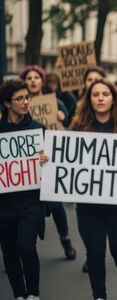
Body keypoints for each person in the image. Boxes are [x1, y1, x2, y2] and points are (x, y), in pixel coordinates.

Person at [69, 78, 117, 300]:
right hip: (88, 203)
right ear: (89, 99)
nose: (100, 98)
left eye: (105, 94)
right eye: (95, 95)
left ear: (114, 99)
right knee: (95, 253)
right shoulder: (77, 127)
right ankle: (99, 296)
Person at [19, 65, 78, 261]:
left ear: (42, 81)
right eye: (29, 78)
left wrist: (63, 117)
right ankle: (20, 247)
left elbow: (67, 125)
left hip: (50, 161)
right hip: (26, 164)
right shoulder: (19, 105)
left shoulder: (56, 102)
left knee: (55, 203)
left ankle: (65, 238)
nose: (33, 81)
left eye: (37, 77)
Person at [0, 79, 49, 300]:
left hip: (32, 200)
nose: (25, 102)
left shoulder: (38, 130)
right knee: (9, 250)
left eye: (27, 97)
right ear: (7, 104)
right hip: (4, 203)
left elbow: (53, 167)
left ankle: (34, 293)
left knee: (26, 247)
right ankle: (19, 293)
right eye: (19, 98)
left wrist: (47, 160)